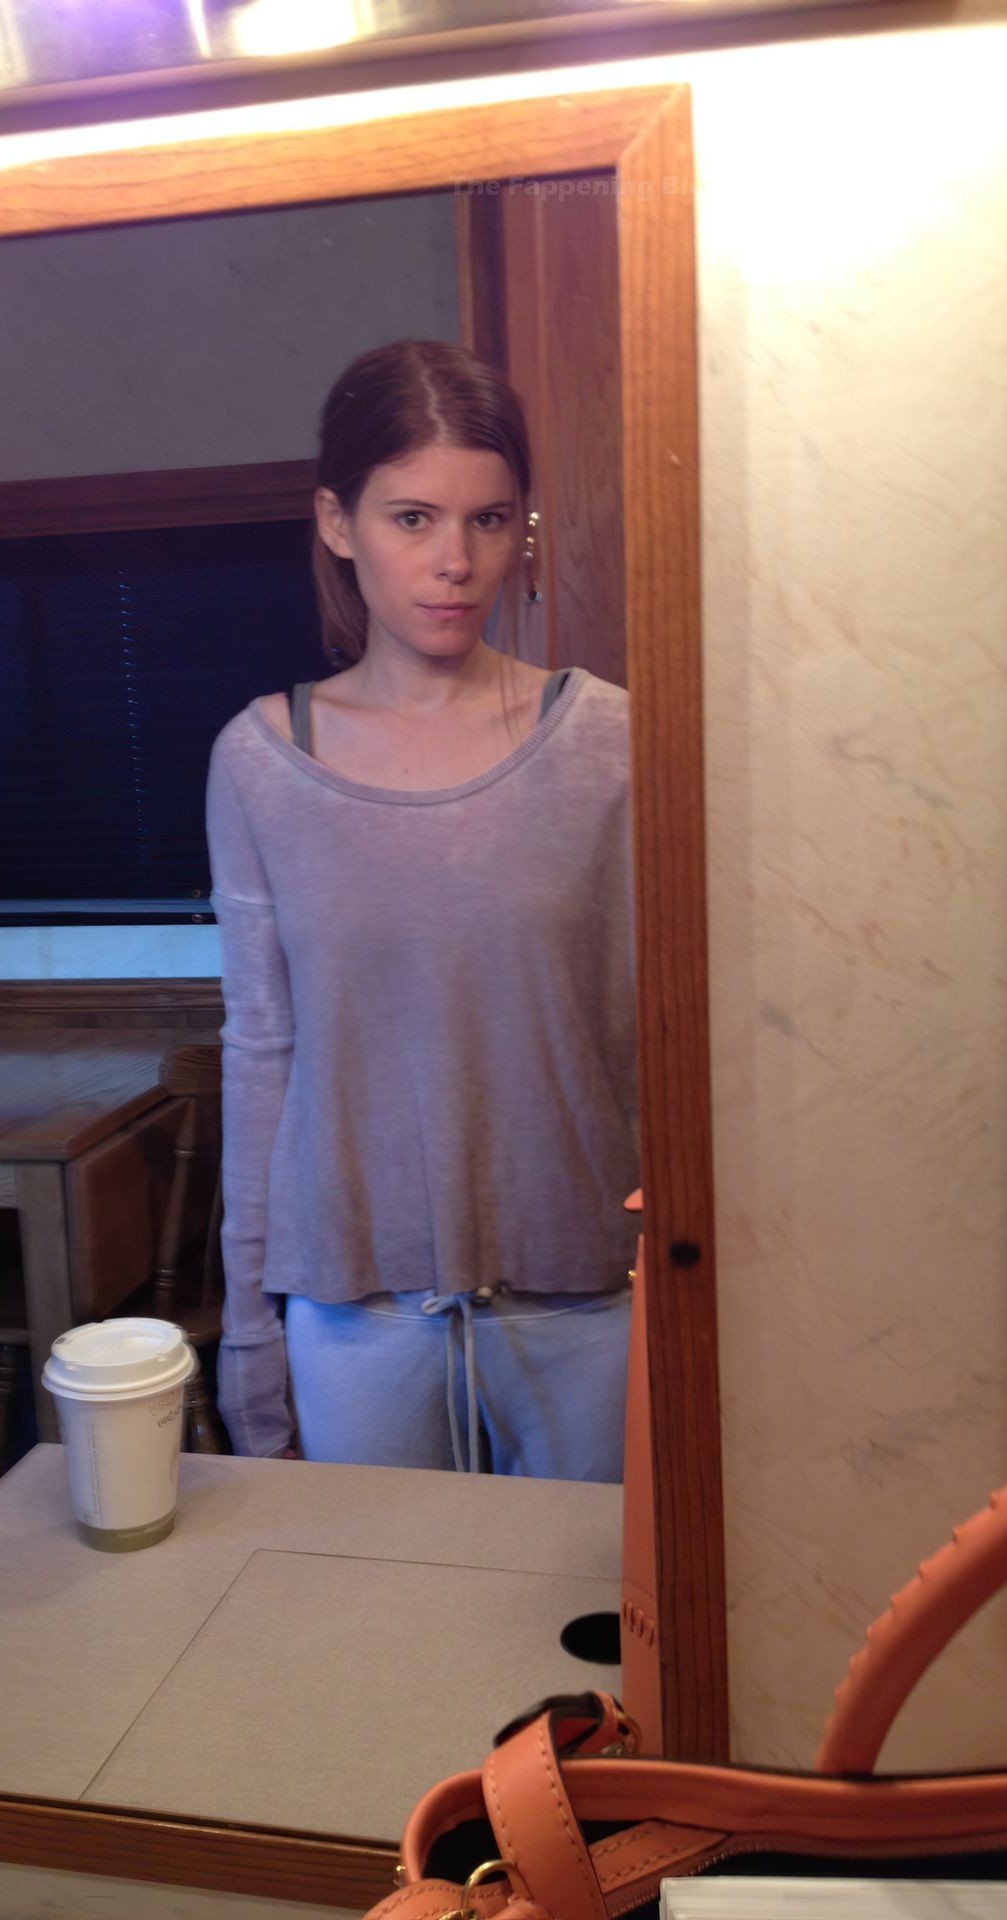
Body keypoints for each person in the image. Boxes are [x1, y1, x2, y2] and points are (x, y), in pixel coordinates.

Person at [204, 337, 639, 1480]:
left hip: (584, 1294)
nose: (455, 561)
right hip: (354, 1308)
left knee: (586, 1593)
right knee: (372, 1596)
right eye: (413, 519)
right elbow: (260, 1055)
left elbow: (657, 1035)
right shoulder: (259, 762)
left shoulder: (612, 743)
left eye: (488, 521)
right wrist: (247, 1330)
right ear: (338, 522)